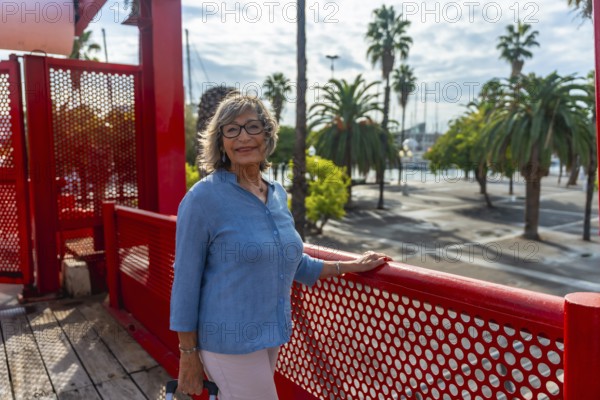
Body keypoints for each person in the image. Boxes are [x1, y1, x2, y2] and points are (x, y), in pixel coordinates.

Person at [170, 93, 390, 399]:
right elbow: (185, 283)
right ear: (221, 142)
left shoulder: (276, 194)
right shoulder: (202, 199)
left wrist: (352, 265)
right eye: (231, 129)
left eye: (252, 127)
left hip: (270, 336)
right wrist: (188, 353)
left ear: (267, 135)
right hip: (227, 342)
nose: (244, 137)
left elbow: (295, 262)